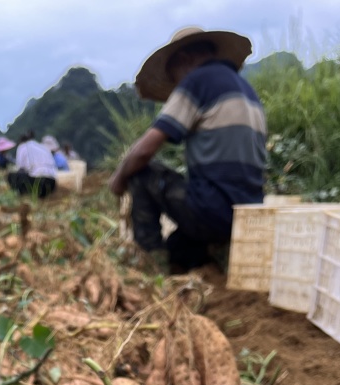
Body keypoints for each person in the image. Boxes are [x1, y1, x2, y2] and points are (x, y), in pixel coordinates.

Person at [110, 26, 267, 271]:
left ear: (184, 60)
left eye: (174, 77)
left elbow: (143, 152)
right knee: (179, 250)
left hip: (213, 210)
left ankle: (150, 265)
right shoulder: (247, 90)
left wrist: (119, 178)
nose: (176, 85)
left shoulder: (197, 81)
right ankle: (211, 252)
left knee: (140, 173)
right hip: (249, 214)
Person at [7, 132, 57, 198]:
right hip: (52, 184)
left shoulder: (22, 146)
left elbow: (20, 167)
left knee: (12, 176)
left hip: (38, 183)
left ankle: (23, 196)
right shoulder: (43, 147)